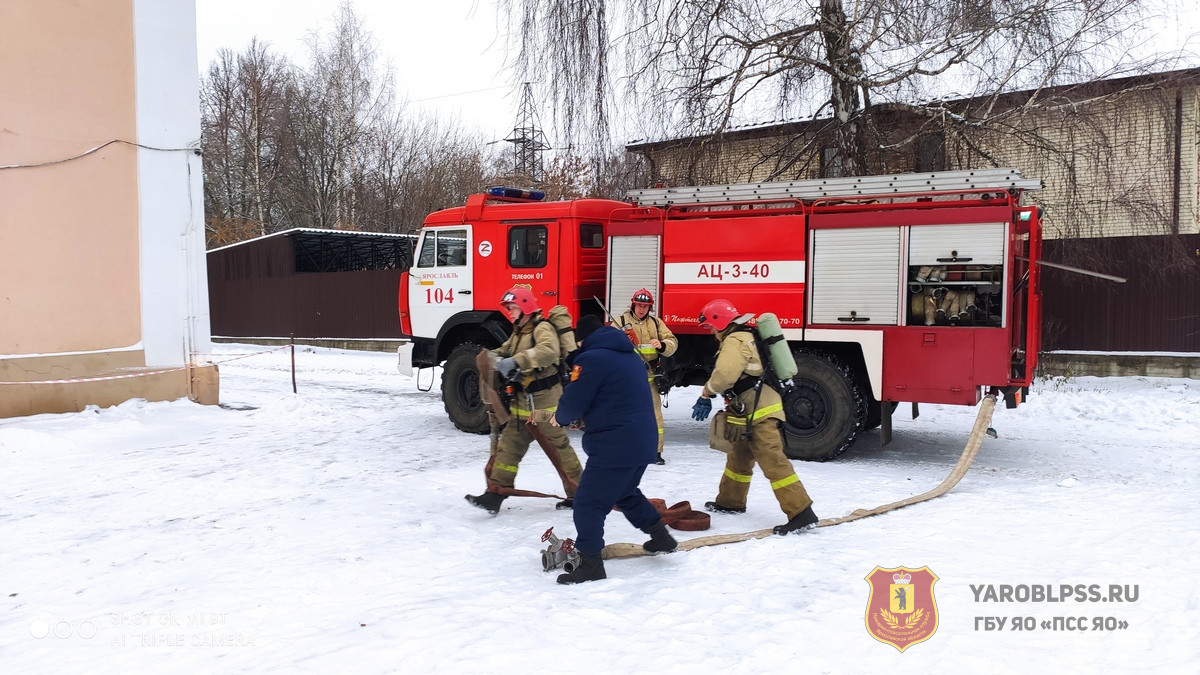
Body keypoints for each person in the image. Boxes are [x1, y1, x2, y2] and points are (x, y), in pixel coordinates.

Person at [550, 314, 677, 584]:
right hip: (642, 441)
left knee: (587, 504)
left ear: (582, 339)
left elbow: (574, 401)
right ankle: (661, 538)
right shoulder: (628, 355)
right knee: (626, 493)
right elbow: (614, 398)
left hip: (615, 445)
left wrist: (561, 417)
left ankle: (591, 564)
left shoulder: (592, 358)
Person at [690, 298, 819, 535]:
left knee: (773, 461)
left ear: (720, 321)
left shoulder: (735, 339)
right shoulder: (745, 336)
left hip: (761, 411)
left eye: (709, 325)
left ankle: (802, 512)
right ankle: (730, 501)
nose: (708, 330)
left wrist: (707, 392)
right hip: (749, 409)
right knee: (739, 456)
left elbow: (725, 375)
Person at [465, 287, 584, 514]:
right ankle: (495, 493)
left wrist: (517, 361)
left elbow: (548, 351)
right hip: (522, 405)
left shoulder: (543, 328)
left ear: (526, 306)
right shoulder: (519, 331)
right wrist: (493, 355)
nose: (509, 312)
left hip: (545, 403)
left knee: (560, 449)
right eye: (508, 308)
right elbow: (506, 349)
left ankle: (579, 494)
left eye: (512, 307)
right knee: (508, 448)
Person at [618, 288, 679, 465]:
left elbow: (672, 341)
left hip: (651, 377)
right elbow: (607, 344)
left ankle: (656, 451)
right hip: (628, 378)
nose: (642, 309)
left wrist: (661, 345)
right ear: (633, 305)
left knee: (654, 415)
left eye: (645, 306)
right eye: (639, 305)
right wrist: (622, 340)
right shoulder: (621, 322)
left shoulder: (656, 323)